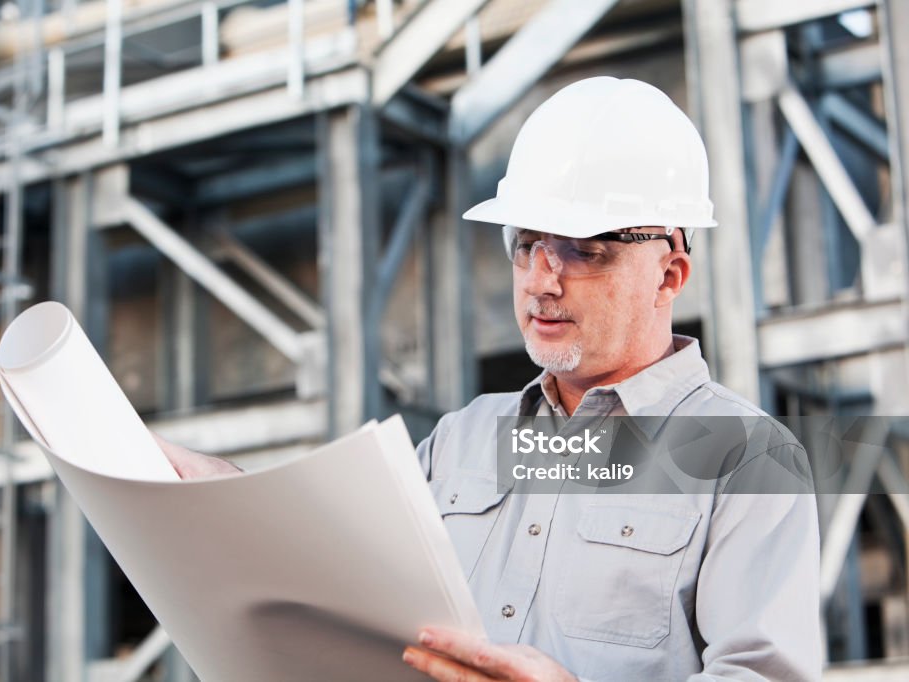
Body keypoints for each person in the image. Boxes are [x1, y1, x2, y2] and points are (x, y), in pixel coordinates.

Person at [159, 77, 822, 681]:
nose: (540, 281)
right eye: (527, 244)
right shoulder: (463, 440)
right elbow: (348, 589)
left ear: (669, 274)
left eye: (581, 251)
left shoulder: (747, 459)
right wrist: (236, 507)